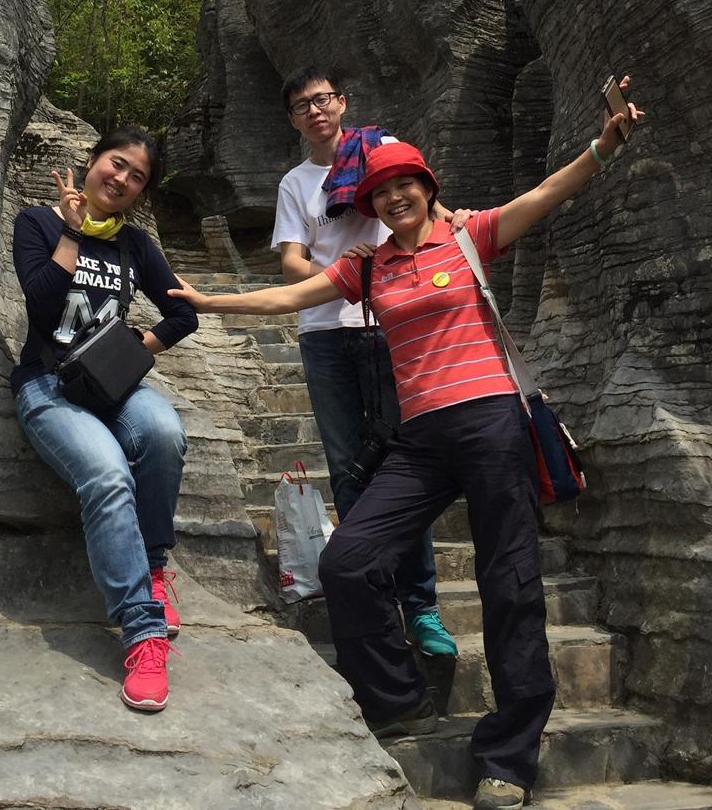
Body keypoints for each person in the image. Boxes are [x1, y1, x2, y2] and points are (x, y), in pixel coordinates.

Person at [170, 81, 643, 810]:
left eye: (405, 185)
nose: (394, 197)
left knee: (510, 584)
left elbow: (546, 194)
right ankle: (397, 699)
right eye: (381, 191)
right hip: (420, 437)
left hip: (491, 424)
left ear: (427, 188)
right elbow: (287, 296)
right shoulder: (368, 265)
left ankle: (509, 758)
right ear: (371, 203)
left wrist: (601, 148)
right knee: (348, 561)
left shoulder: (470, 234)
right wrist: (208, 300)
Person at [271, 66, 457, 657]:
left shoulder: (381, 150)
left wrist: (451, 225)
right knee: (349, 469)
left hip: (390, 325)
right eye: (302, 106)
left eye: (323, 99)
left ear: (343, 102)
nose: (315, 111)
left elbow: (429, 210)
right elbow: (292, 264)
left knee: (404, 466)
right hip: (325, 332)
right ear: (292, 120)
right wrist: (345, 273)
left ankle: (422, 607)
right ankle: (373, 602)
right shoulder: (295, 184)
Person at [11, 126, 197, 713]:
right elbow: (41, 304)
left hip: (114, 386)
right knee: (108, 472)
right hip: (48, 384)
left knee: (164, 432)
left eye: (137, 177)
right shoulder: (37, 223)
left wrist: (139, 346)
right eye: (116, 164)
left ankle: (154, 569)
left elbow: (183, 314)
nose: (121, 179)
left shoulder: (135, 244)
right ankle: (142, 635)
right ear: (92, 160)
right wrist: (71, 230)